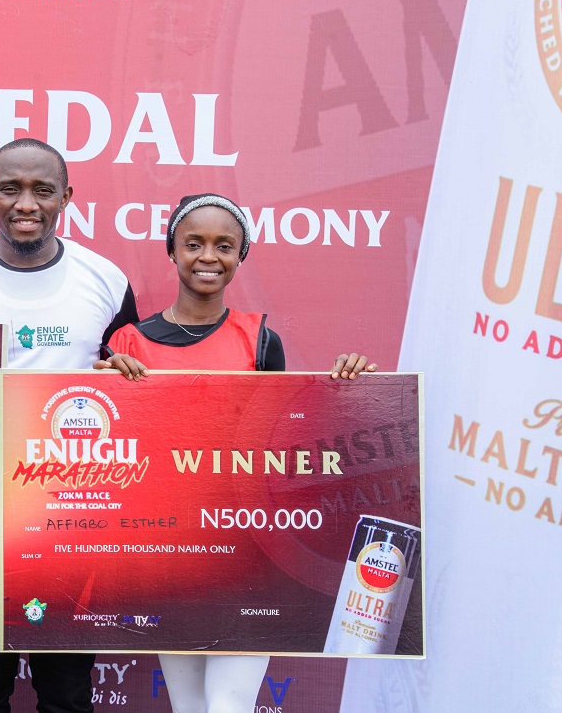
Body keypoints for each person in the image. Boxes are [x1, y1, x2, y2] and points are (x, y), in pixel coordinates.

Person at [94, 193, 375, 713]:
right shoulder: (126, 344)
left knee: (229, 704)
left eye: (224, 245)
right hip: (166, 554)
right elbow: (107, 456)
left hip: (248, 551)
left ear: (241, 255)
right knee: (188, 705)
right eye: (194, 243)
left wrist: (348, 390)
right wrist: (105, 390)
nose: (208, 256)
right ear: (171, 251)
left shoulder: (260, 340)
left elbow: (287, 446)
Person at [0, 138, 138, 713]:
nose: (26, 203)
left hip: (72, 515)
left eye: (43, 189)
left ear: (67, 196)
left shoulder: (107, 281)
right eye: (10, 188)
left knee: (66, 694)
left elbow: (131, 396)